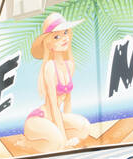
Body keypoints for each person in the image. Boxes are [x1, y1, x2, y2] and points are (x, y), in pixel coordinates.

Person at [24, 12, 91, 151]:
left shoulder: (69, 65)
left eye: (65, 32)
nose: (64, 38)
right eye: (56, 37)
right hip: (40, 118)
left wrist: (67, 126)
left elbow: (67, 101)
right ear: (49, 44)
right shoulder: (49, 67)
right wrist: (64, 137)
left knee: (85, 127)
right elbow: (53, 104)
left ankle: (55, 135)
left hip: (57, 117)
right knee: (58, 143)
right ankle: (28, 142)